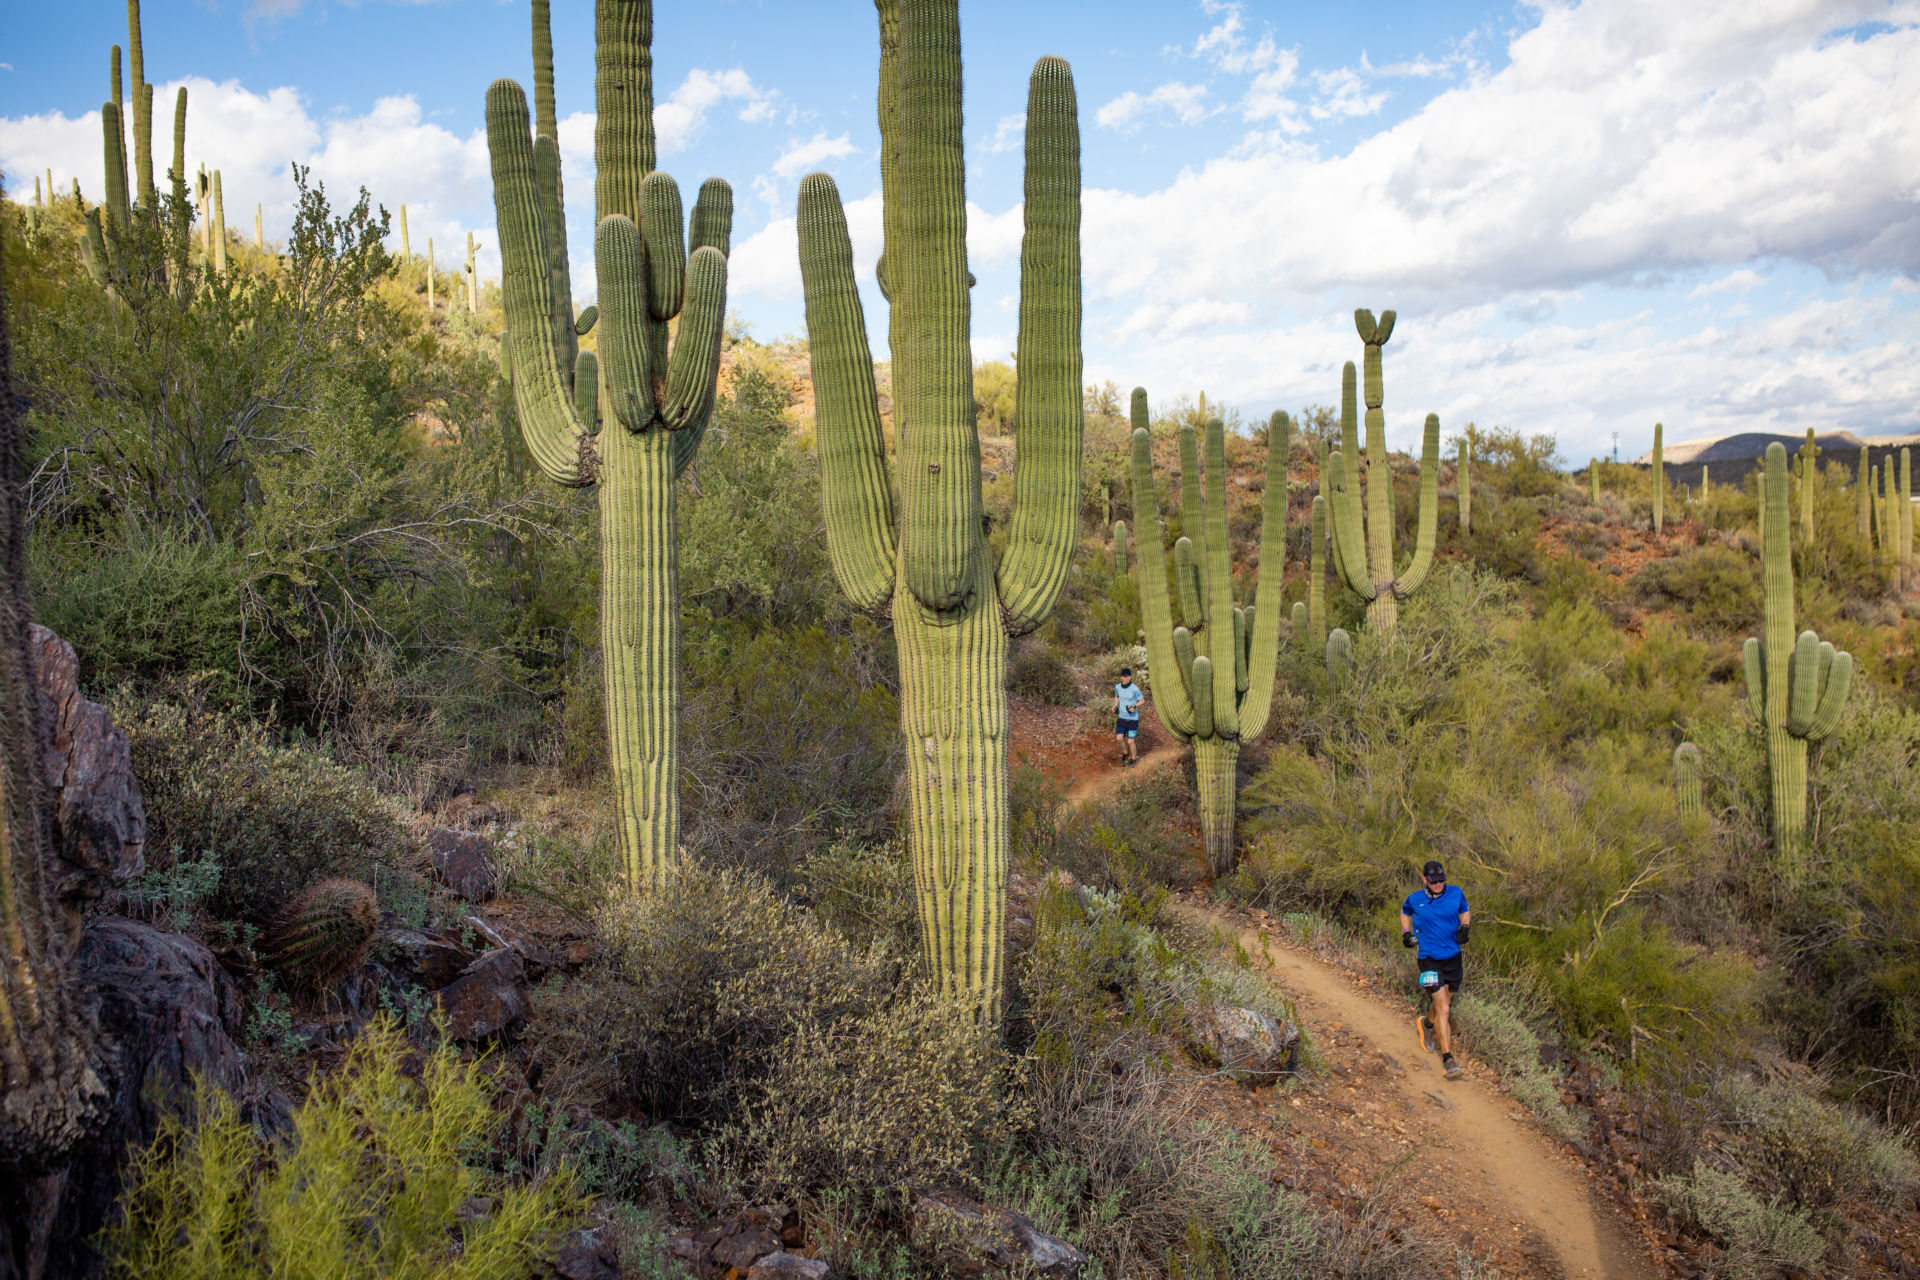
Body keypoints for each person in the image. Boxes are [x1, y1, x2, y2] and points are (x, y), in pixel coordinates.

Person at [1401, 859, 1471, 1080]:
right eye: (1434, 881)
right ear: (1424, 879)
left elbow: (1465, 911)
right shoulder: (1415, 899)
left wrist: (1465, 928)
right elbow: (1405, 912)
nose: (1439, 884)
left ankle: (1426, 1024)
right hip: (1428, 960)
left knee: (1445, 1003)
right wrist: (1406, 932)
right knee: (1444, 1008)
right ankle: (1448, 1060)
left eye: (1441, 880)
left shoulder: (1456, 893)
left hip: (1453, 959)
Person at [1112, 669, 1143, 765]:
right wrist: (1115, 706)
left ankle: (1133, 759)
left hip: (1133, 719)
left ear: (1130, 677)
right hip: (1122, 717)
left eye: (1125, 676)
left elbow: (1142, 700)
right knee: (1119, 738)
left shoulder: (1134, 688)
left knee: (1130, 741)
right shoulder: (1117, 687)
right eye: (1122, 676)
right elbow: (1117, 696)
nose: (1123, 678)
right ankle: (1125, 754)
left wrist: (1134, 706)